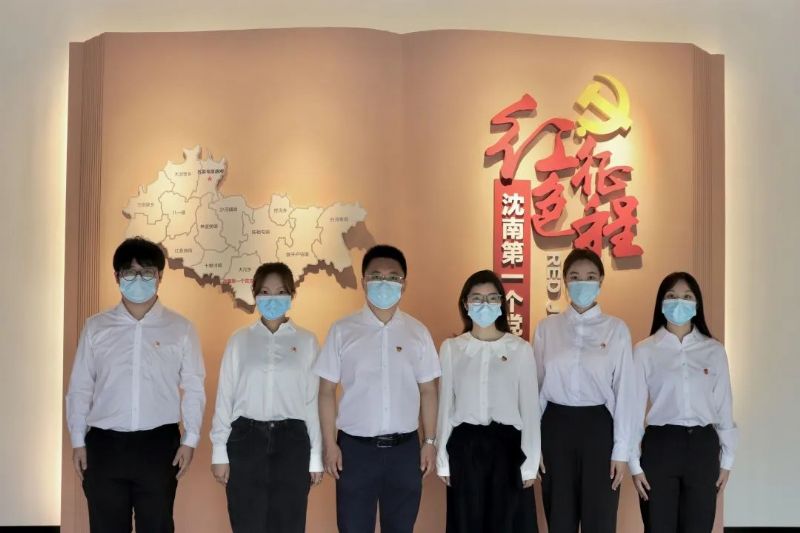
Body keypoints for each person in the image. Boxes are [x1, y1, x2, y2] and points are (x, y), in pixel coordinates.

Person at [66, 237, 206, 533]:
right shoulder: (96, 327)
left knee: (157, 526)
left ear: (160, 276)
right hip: (105, 445)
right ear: (117, 277)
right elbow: (80, 386)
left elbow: (194, 386)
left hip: (159, 444)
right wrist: (78, 439)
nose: (138, 279)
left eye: (147, 272)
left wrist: (190, 438)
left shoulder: (181, 328)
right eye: (130, 272)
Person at [315, 244, 441, 533]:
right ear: (363, 282)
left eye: (393, 277)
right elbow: (326, 391)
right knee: (353, 527)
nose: (384, 283)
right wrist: (330, 444)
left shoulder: (417, 332)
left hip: (405, 451)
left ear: (404, 284)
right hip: (355, 451)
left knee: (401, 527)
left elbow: (429, 391)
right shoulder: (342, 330)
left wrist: (429, 441)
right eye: (376, 276)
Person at [210, 262, 323, 533]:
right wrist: (219, 451)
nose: (273, 298)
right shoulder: (239, 340)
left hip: (293, 439)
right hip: (246, 438)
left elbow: (312, 402)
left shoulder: (307, 341)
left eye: (281, 292)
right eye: (265, 292)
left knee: (289, 523)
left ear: (292, 295)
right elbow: (225, 396)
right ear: (255, 295)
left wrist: (315, 456)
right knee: (246, 522)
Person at [532, 247, 635, 533]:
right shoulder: (546, 329)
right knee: (559, 518)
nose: (582, 283)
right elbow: (535, 388)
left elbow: (625, 392)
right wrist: (533, 444)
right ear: (565, 281)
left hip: (599, 428)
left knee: (600, 519)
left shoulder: (616, 329)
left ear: (601, 281)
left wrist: (621, 451)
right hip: (555, 427)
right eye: (575, 277)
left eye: (590, 277)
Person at [630, 272, 737, 533]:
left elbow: (724, 407)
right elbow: (632, 410)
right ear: (661, 303)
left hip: (702, 448)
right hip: (660, 447)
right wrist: (633, 462)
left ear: (697, 304)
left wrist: (727, 459)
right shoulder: (645, 350)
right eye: (672, 296)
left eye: (687, 297)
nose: (679, 302)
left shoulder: (714, 350)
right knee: (658, 526)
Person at [436, 270, 540, 533]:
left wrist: (530, 464)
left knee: (508, 523)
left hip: (508, 449)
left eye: (492, 298)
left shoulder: (520, 349)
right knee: (466, 522)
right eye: (477, 298)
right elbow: (446, 406)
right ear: (465, 303)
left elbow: (529, 410)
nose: (485, 304)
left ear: (501, 304)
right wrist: (442, 458)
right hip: (465, 448)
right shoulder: (451, 348)